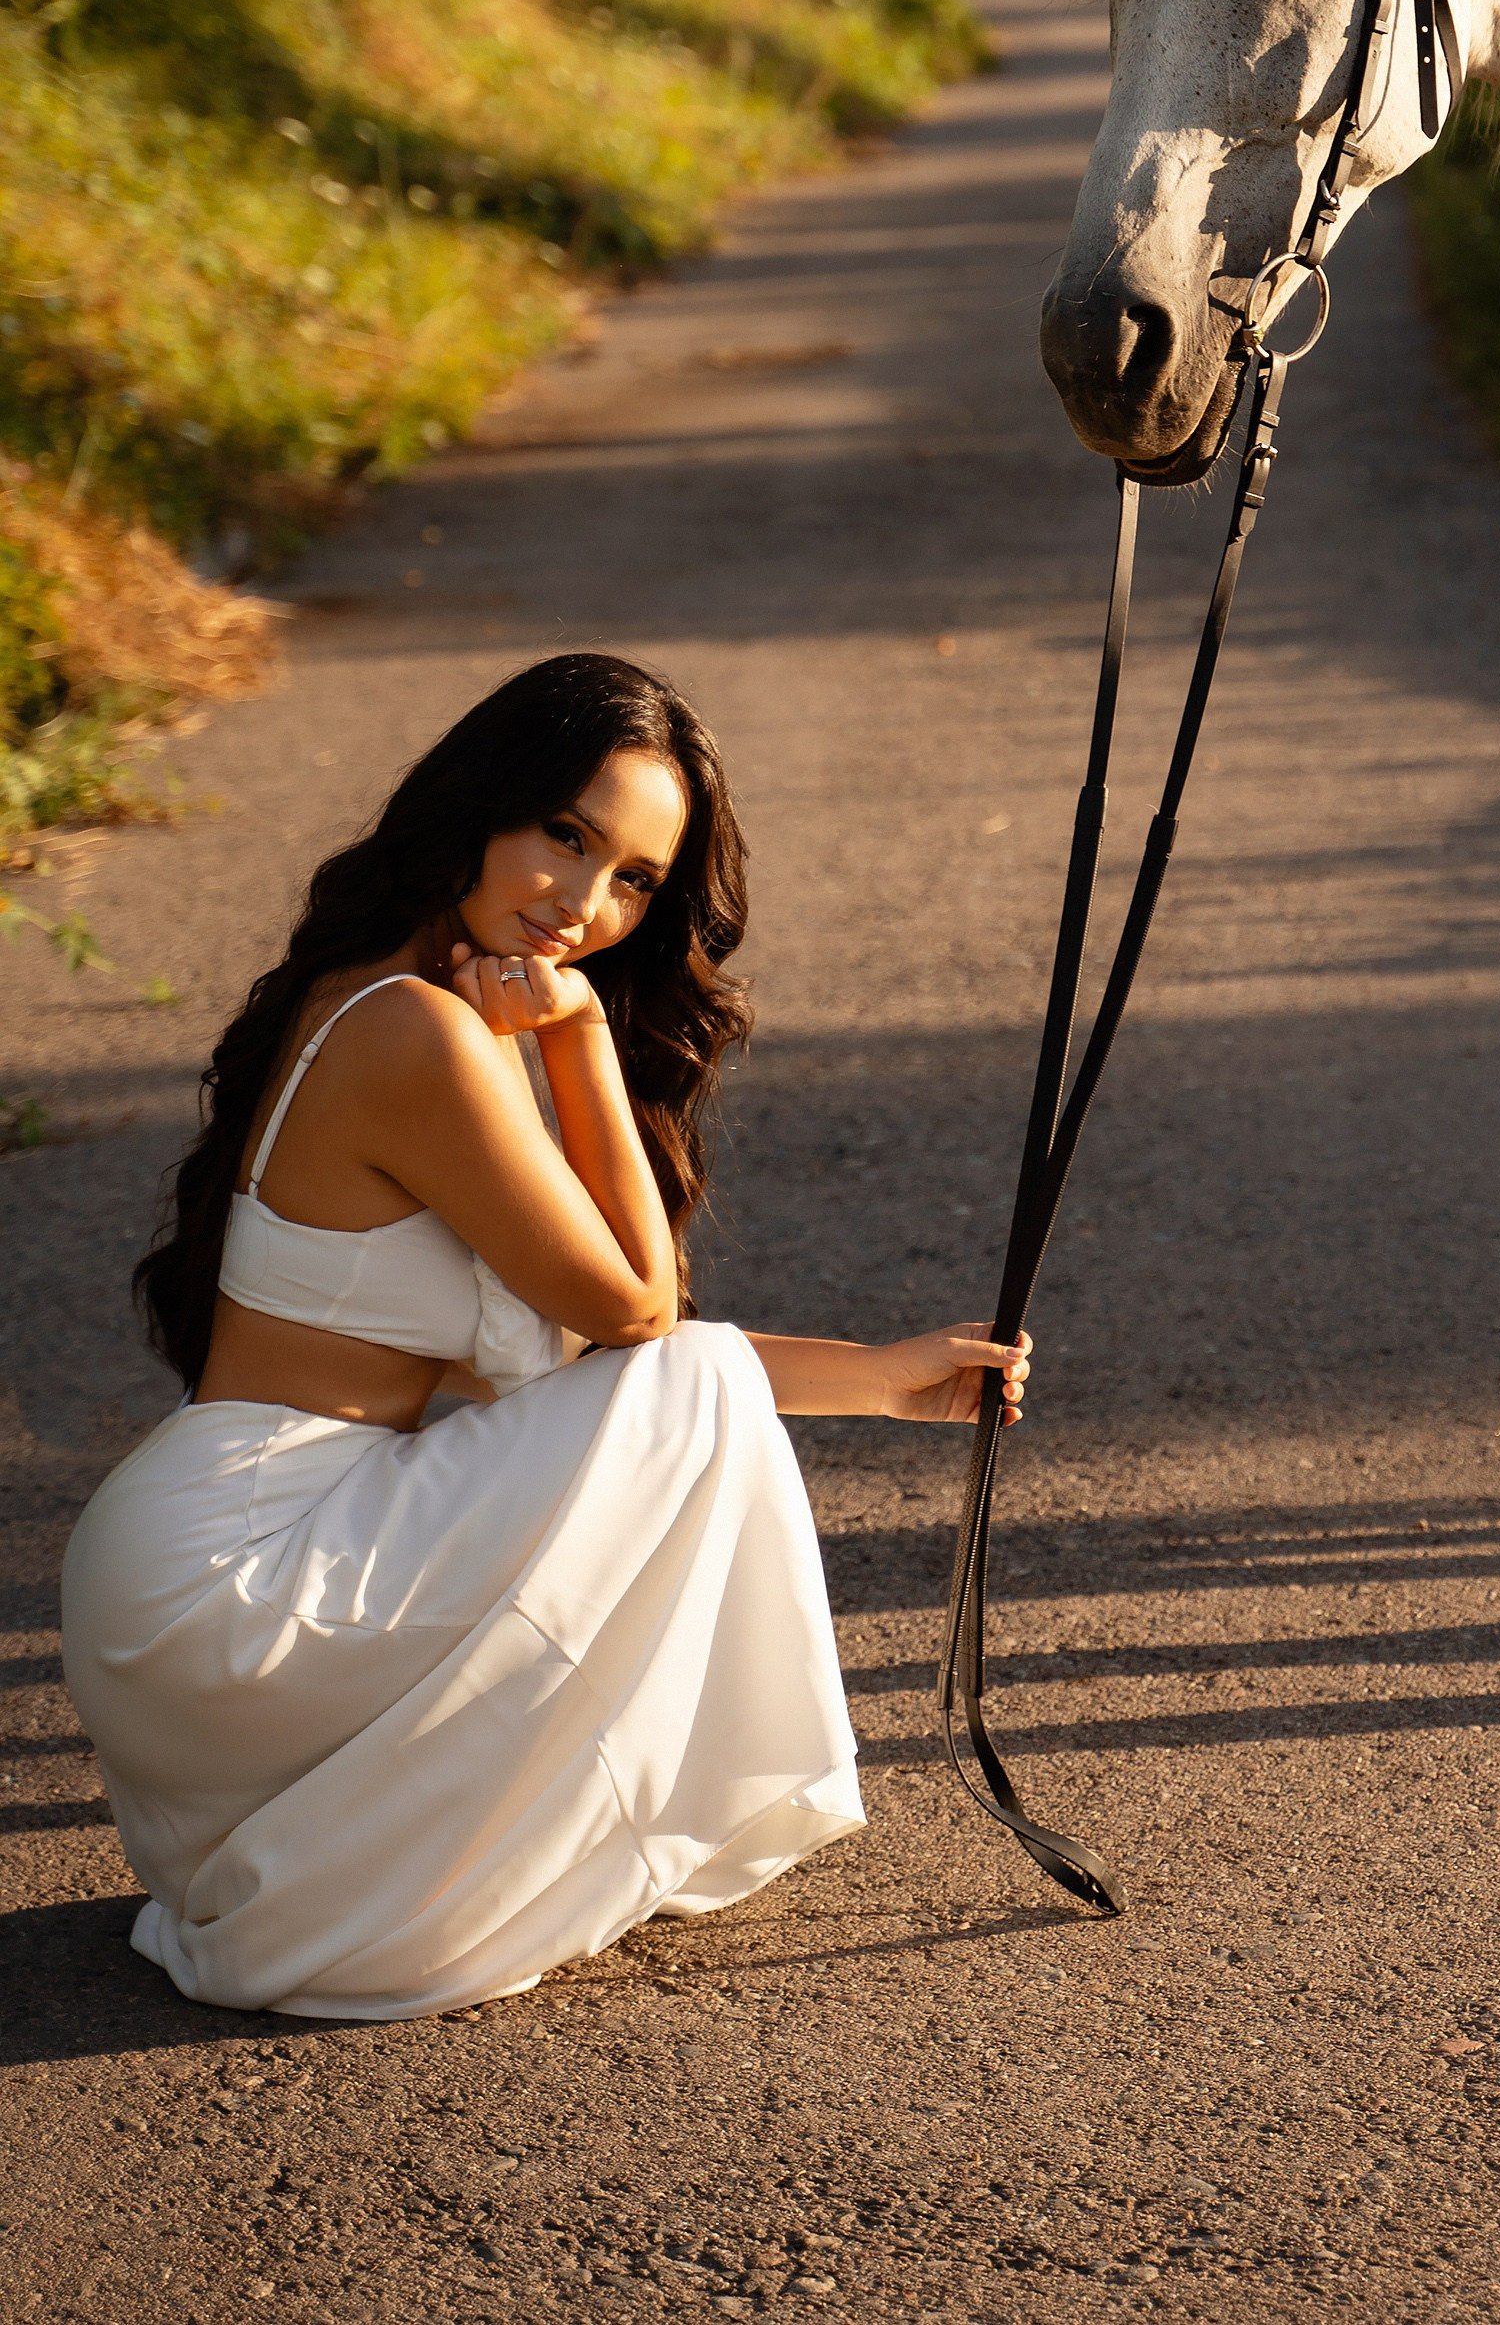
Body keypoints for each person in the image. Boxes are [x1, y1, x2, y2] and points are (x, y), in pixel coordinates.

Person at [60, 652, 1027, 2022]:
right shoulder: (421, 1035)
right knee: (681, 1376)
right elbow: (640, 1320)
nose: (582, 903)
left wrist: (879, 1379)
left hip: (228, 1571)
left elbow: (605, 1378)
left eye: (633, 878)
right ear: (481, 803)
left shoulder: (399, 997)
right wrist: (577, 1044)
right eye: (564, 836)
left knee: (672, 1393)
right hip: (240, 1581)